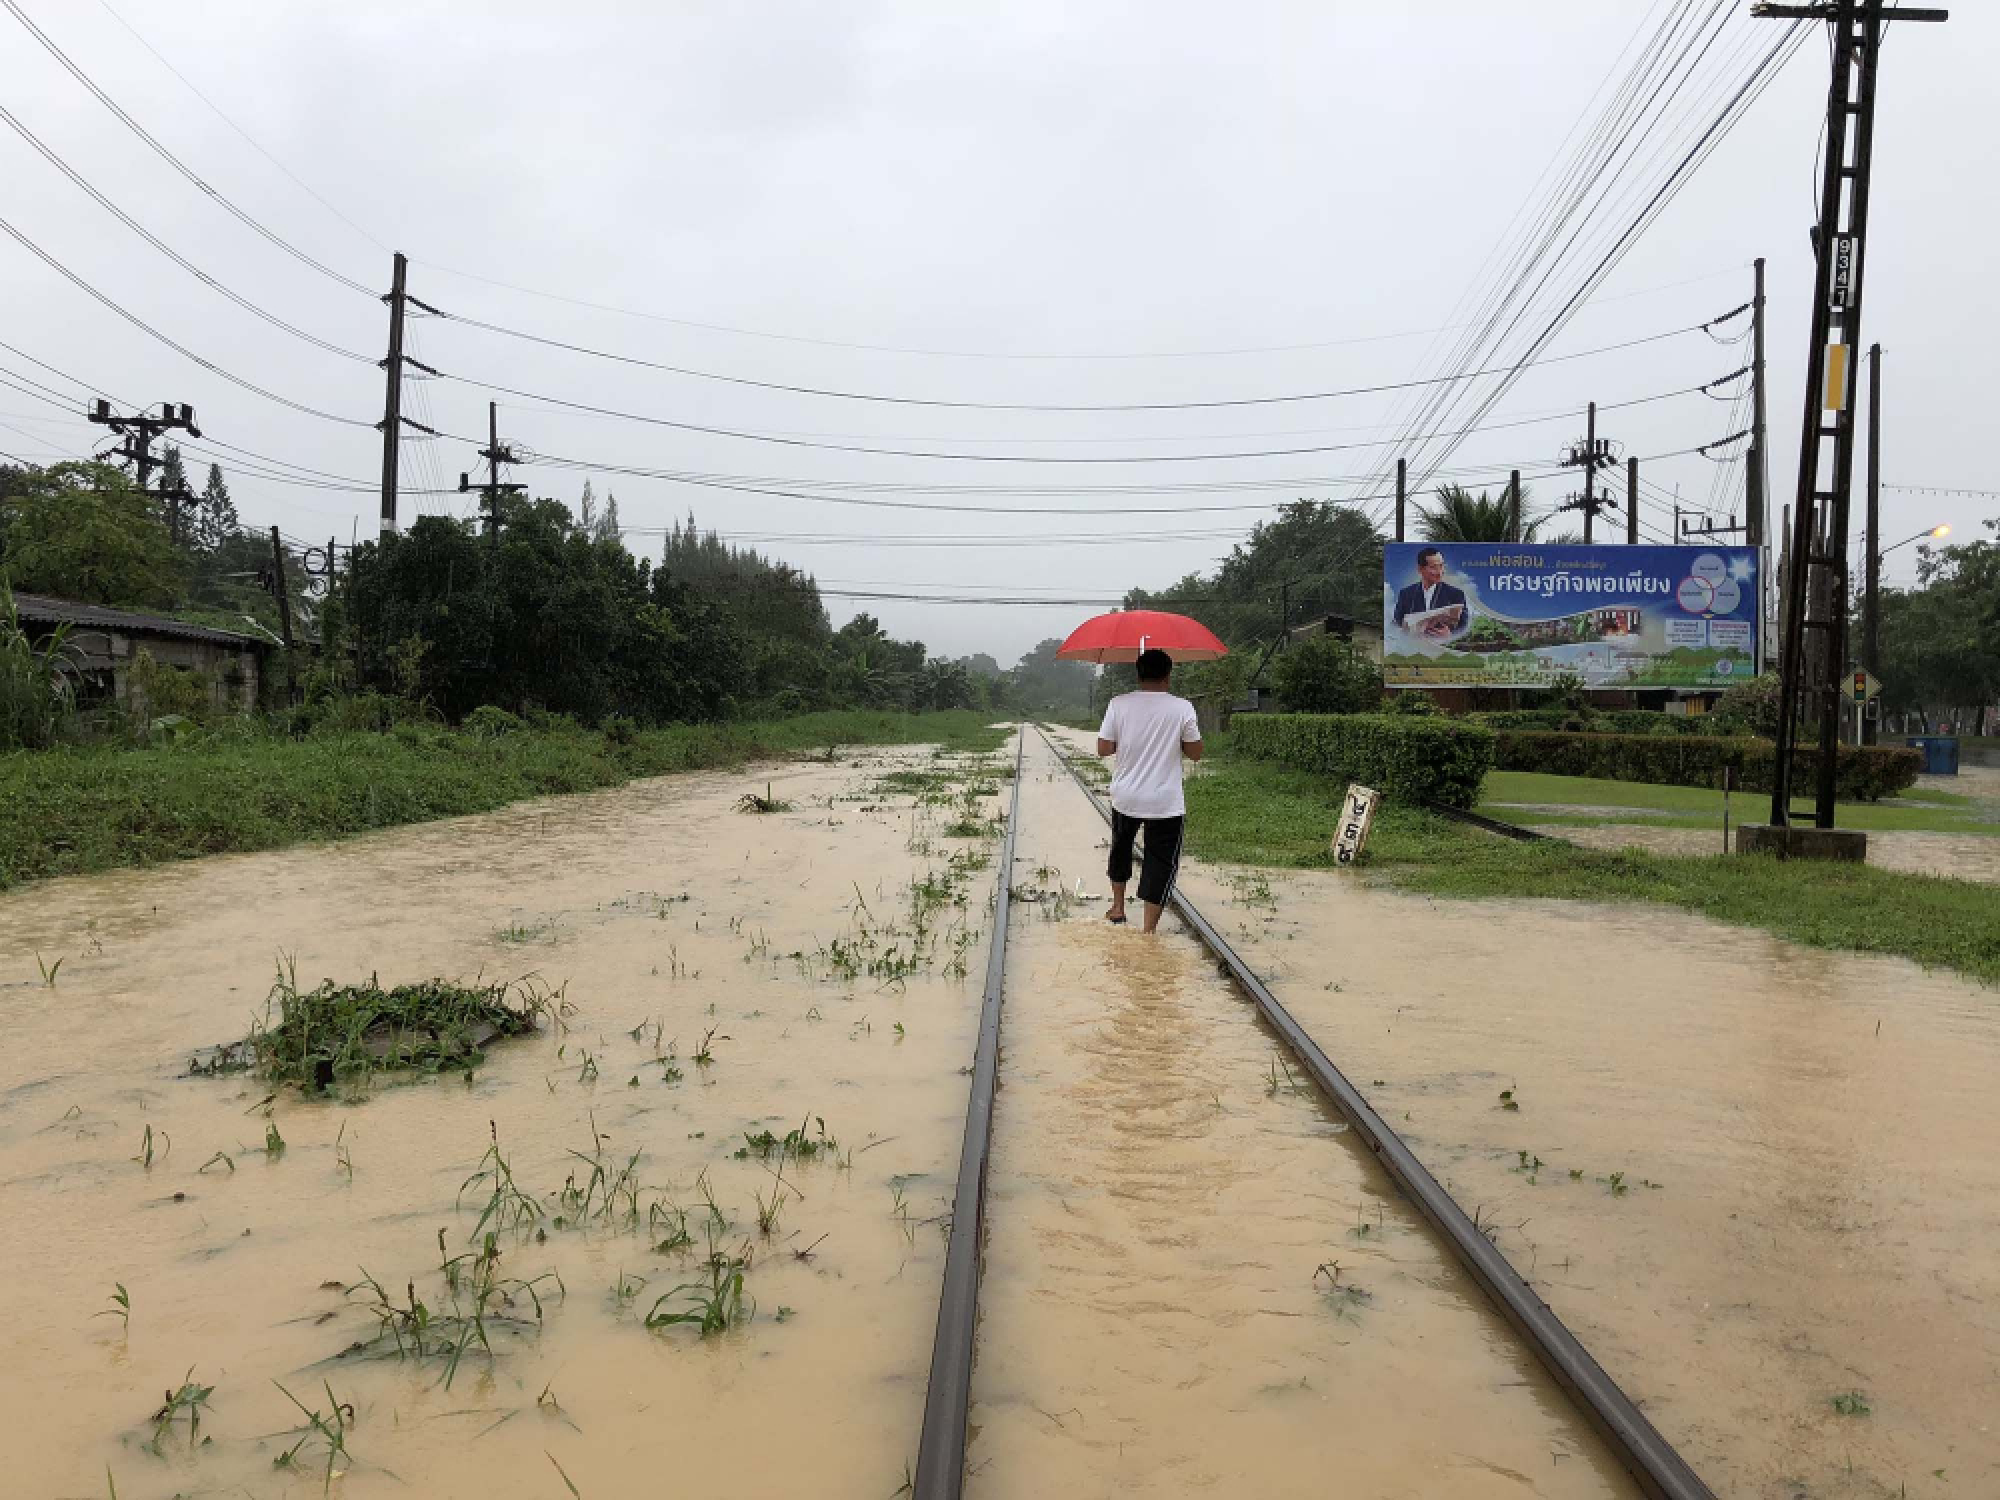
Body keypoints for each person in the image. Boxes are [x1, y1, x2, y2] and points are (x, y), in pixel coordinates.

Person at [1095, 648, 1203, 933]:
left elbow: (1103, 748)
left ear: (1138, 675)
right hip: (1164, 802)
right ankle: (1148, 930)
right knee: (1160, 861)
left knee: (1121, 849)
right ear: (1168, 676)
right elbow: (1195, 753)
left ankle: (1118, 908)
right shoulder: (1182, 708)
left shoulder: (1118, 704)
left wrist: (1128, 739)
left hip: (1126, 797)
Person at [1393, 547, 1470, 640]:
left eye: (1441, 566)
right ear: (1420, 569)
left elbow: (1464, 627)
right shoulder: (1406, 594)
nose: (1439, 572)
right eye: (1434, 567)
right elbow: (1396, 623)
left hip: (1443, 647)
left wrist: (1450, 634)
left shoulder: (1456, 594)